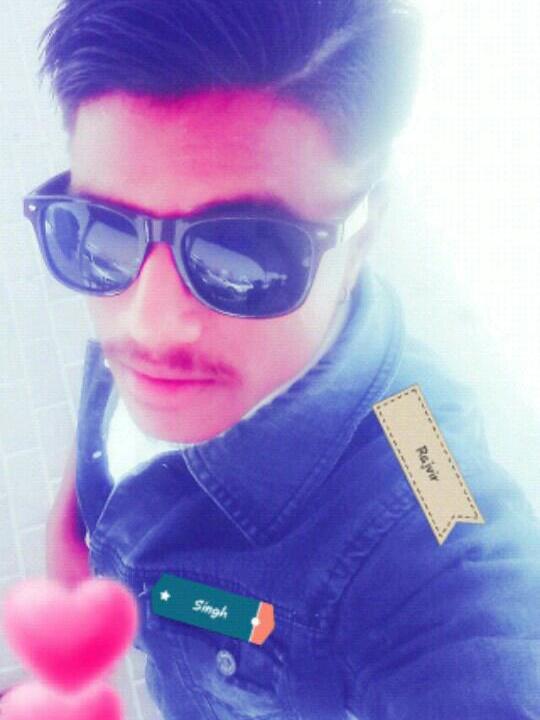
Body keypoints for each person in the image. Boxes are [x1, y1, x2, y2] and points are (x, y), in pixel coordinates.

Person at [17, 0, 539, 718]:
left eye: (244, 255)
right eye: (102, 229)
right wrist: (72, 573)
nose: (148, 323)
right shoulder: (136, 282)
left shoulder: (425, 517)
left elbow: (477, 614)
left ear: (362, 237)